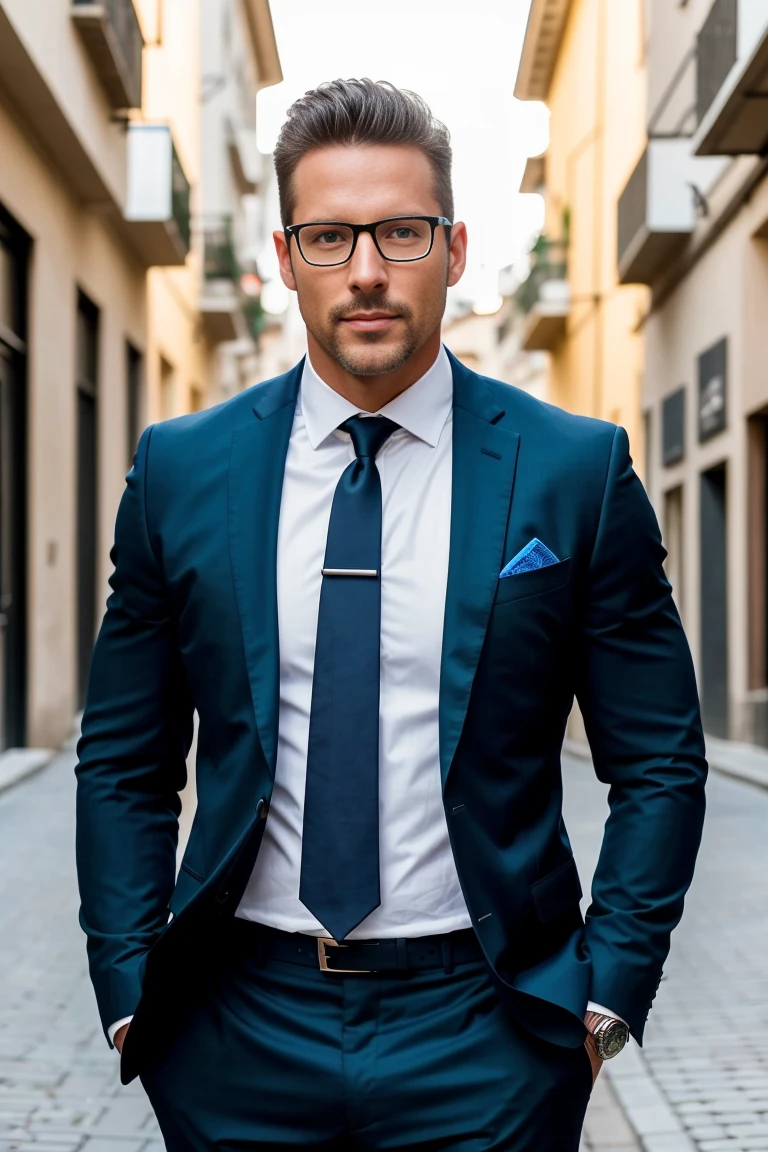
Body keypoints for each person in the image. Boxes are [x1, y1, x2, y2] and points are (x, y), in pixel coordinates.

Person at [75, 78, 707, 1151]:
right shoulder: (181, 473)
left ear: (454, 249)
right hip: (237, 1027)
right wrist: (134, 984)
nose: (365, 270)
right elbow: (124, 760)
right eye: (328, 237)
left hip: (487, 1030)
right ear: (284, 258)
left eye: (401, 233)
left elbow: (659, 758)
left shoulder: (573, 472)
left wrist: (604, 996)